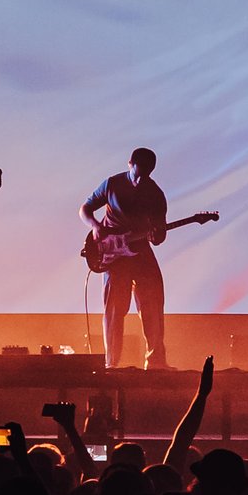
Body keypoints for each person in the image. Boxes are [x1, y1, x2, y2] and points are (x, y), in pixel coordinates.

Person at [82, 147, 172, 369]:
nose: (141, 179)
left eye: (147, 174)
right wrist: (95, 227)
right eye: (138, 172)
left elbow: (159, 236)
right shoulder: (112, 183)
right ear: (130, 164)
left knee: (153, 300)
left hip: (140, 249)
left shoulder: (156, 194)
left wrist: (156, 235)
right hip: (114, 254)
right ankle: (111, 364)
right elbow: (85, 208)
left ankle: (156, 362)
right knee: (114, 309)